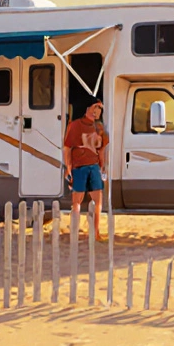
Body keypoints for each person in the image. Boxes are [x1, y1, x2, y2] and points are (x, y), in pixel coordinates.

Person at [63, 100, 109, 242]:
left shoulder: (98, 127)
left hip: (92, 166)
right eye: (95, 107)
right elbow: (67, 148)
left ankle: (94, 233)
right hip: (80, 167)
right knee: (77, 201)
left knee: (96, 201)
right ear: (87, 108)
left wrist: (102, 166)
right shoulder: (76, 125)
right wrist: (68, 167)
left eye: (100, 108)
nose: (97, 111)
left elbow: (101, 150)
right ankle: (78, 233)